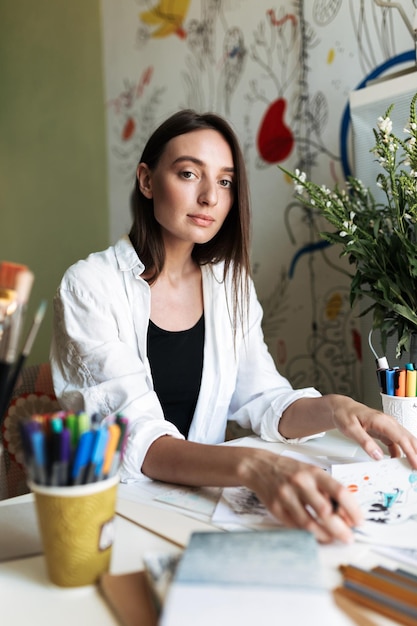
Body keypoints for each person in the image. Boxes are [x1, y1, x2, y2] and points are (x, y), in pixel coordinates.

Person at [51, 109, 417, 544]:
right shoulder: (89, 285)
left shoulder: (228, 282)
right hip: (112, 516)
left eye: (225, 182)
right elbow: (136, 439)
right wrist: (253, 466)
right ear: (147, 181)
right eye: (189, 174)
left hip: (199, 509)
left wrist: (338, 408)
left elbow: (264, 398)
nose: (210, 197)